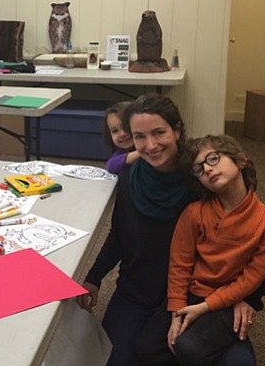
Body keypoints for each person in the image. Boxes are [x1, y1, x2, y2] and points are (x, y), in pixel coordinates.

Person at [136, 135, 265, 365]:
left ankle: (230, 341)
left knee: (189, 347)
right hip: (193, 293)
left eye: (213, 158)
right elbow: (179, 264)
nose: (207, 168)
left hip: (227, 301)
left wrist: (204, 309)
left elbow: (251, 280)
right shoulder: (194, 212)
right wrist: (177, 312)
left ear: (241, 161)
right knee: (147, 347)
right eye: (199, 168)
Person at [76, 94, 196, 365]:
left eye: (159, 133)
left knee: (170, 355)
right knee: (113, 359)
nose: (150, 145)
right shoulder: (130, 177)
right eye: (140, 136)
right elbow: (119, 234)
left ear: (176, 130)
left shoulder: (198, 179)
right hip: (135, 291)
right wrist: (94, 278)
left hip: (190, 294)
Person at [103, 101, 140, 174]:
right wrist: (141, 153)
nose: (122, 134)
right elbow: (111, 166)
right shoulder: (122, 152)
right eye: (115, 131)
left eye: (126, 127)